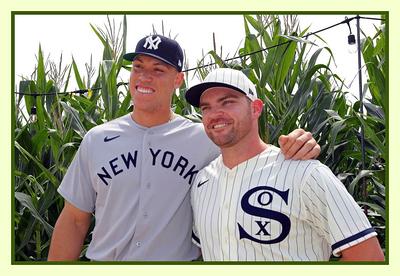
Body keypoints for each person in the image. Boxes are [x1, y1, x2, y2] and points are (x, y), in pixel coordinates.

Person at [48, 35, 321, 261]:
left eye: (158, 70)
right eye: (138, 67)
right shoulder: (97, 139)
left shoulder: (205, 137)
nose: (144, 77)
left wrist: (298, 144)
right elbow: (74, 220)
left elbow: (253, 156)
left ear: (178, 80)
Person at [186, 67, 384, 261]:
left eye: (227, 102)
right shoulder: (202, 182)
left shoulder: (304, 173)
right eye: (206, 107)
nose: (214, 114)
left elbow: (368, 257)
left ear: (255, 108)